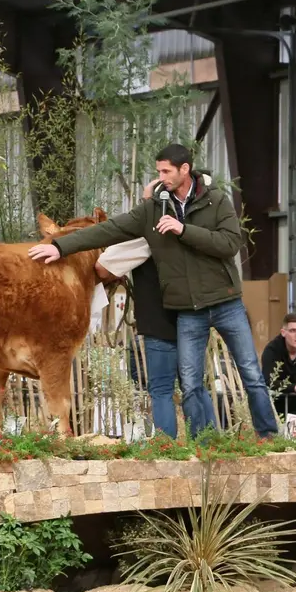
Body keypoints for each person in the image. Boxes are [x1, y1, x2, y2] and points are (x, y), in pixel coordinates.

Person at [28, 143, 279, 438]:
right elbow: (107, 231)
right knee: (190, 383)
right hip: (189, 310)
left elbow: (230, 244)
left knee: (250, 372)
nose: (161, 176)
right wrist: (59, 245)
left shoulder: (216, 201)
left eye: (166, 171)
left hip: (226, 302)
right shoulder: (152, 211)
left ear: (185, 169)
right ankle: (205, 444)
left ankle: (268, 435)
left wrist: (182, 229)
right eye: (158, 170)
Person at [93, 180, 191, 439]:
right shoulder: (190, 227)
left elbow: (103, 268)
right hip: (193, 320)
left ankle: (166, 448)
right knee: (194, 388)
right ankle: (206, 444)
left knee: (160, 389)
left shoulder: (147, 234)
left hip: (160, 322)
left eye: (144, 202)